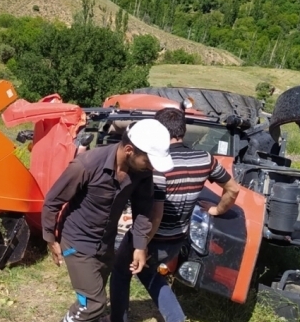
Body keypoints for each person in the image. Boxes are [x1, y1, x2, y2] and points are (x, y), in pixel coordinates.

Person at [107, 108, 241, 322]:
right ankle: (176, 318)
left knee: (121, 272)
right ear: (184, 131)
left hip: (152, 236)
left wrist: (141, 246)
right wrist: (217, 210)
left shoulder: (158, 165)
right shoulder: (206, 159)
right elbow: (233, 189)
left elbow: (156, 214)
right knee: (149, 274)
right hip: (178, 238)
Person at [41, 119, 174, 322]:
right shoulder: (86, 165)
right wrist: (51, 239)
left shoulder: (142, 173)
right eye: (148, 160)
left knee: (89, 295)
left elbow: (143, 210)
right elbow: (52, 201)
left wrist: (140, 246)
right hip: (75, 243)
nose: (152, 167)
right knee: (93, 304)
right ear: (129, 150)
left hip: (105, 244)